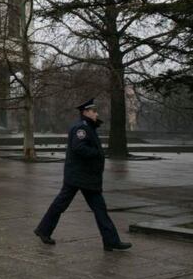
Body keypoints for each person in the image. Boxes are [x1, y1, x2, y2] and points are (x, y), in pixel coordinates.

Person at [34, 99, 132, 252]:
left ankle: (110, 241)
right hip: (79, 177)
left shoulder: (88, 127)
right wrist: (96, 154)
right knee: (63, 205)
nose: (96, 113)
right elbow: (78, 147)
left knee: (98, 209)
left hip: (85, 177)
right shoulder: (82, 128)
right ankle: (44, 230)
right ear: (85, 112)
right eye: (93, 111)